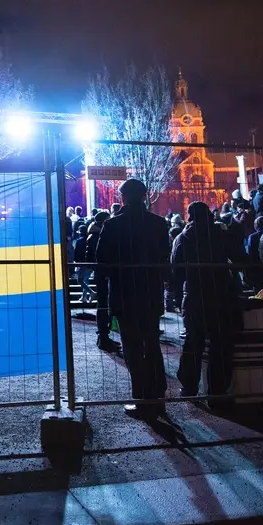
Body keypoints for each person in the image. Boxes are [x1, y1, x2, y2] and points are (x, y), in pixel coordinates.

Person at [95, 179, 170, 418]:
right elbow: (163, 257)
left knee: (132, 347)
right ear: (145, 196)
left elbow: (101, 260)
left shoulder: (113, 225)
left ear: (123, 197)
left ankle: (141, 396)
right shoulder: (158, 224)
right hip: (150, 292)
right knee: (151, 343)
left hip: (124, 293)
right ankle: (158, 394)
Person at [172, 201, 247, 399]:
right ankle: (217, 390)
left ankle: (189, 387)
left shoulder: (182, 238)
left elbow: (176, 269)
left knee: (193, 342)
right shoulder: (220, 235)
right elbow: (240, 257)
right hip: (220, 293)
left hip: (194, 294)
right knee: (220, 343)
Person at [86, 210, 120, 353]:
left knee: (104, 305)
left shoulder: (93, 235)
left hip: (101, 273)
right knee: (104, 305)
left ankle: (104, 336)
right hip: (102, 274)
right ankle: (103, 337)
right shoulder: (97, 236)